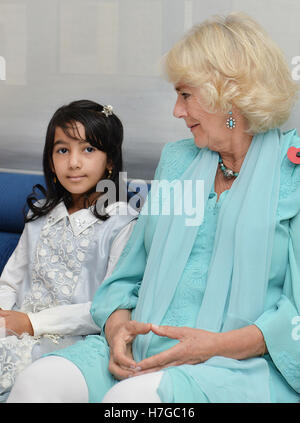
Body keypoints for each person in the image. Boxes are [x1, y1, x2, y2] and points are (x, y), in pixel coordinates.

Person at [8, 12, 300, 403]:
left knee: (131, 402)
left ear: (228, 93)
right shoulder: (177, 160)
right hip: (140, 352)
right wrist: (117, 332)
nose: (176, 112)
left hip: (237, 365)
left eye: (185, 95)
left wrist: (213, 346)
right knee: (37, 383)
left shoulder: (291, 171)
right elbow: (124, 279)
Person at [0, 99, 137, 401]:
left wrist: (33, 323)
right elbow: (10, 280)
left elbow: (107, 305)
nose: (73, 162)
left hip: (73, 342)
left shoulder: (121, 222)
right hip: (15, 330)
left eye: (88, 149)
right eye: (63, 150)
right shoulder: (40, 215)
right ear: (51, 160)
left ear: (110, 160)